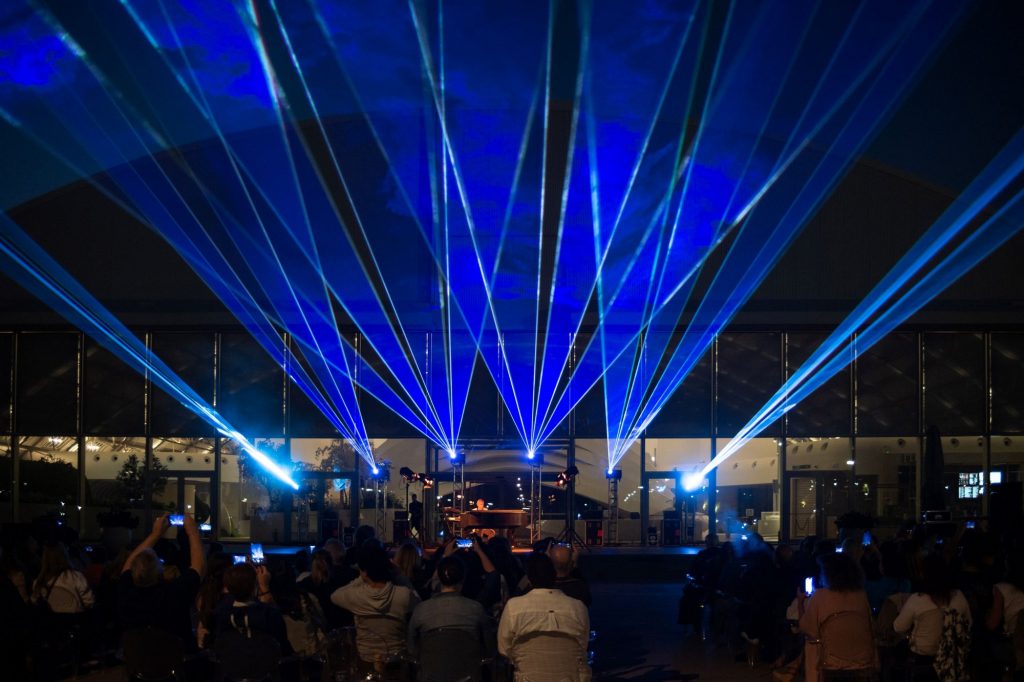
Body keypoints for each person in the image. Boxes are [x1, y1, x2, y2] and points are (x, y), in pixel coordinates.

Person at [118, 513, 205, 650]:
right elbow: (198, 567)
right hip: (175, 657)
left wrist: (155, 534)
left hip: (138, 656)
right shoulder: (173, 593)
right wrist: (193, 532)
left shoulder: (126, 591)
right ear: (159, 572)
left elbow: (128, 565)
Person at [331, 542, 420, 666]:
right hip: (396, 659)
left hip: (366, 659)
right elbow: (419, 603)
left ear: (364, 571)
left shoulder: (356, 596)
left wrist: (362, 577)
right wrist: (399, 574)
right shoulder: (403, 594)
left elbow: (335, 596)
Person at [498, 553, 590, 667]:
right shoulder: (578, 608)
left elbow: (504, 649)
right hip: (569, 673)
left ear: (529, 579)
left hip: (527, 673)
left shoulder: (513, 607)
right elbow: (583, 645)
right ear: (554, 576)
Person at [797, 553, 876, 682]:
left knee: (811, 643)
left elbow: (806, 629)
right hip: (862, 660)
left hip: (831, 662)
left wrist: (800, 603)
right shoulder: (861, 595)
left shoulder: (820, 596)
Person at [893, 554, 972, 674]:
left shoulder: (917, 600)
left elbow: (898, 627)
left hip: (922, 662)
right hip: (952, 660)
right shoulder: (959, 596)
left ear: (924, 575)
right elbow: (968, 624)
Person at [407, 556, 493, 658]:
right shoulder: (476, 609)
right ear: (463, 578)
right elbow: (489, 647)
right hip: (467, 666)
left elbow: (412, 648)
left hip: (430, 666)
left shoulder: (421, 609)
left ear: (439, 578)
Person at [214, 562, 293, 655]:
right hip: (266, 662)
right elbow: (282, 644)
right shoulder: (268, 614)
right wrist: (264, 587)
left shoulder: (221, 613)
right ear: (255, 585)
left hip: (231, 662)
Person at [32, 542, 95, 614]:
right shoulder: (76, 577)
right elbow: (89, 602)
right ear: (65, 556)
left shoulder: (38, 582)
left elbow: (34, 602)